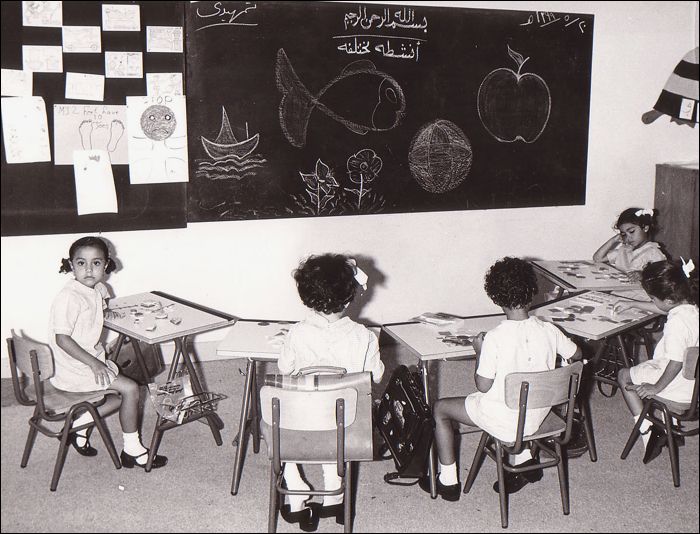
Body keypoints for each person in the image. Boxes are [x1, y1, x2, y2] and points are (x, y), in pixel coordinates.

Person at [423, 257, 582, 500]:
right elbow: (578, 355)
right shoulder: (549, 330)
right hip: (539, 416)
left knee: (440, 408)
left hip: (507, 422)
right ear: (533, 291)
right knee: (522, 396)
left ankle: (448, 481)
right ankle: (525, 458)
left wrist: (479, 352)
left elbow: (483, 385)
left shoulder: (495, 339)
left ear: (495, 298)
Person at [277, 253, 384, 531]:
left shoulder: (297, 334)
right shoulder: (364, 336)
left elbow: (285, 369)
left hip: (299, 426)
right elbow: (376, 377)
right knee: (333, 415)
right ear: (350, 297)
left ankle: (295, 491)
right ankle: (335, 492)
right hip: (347, 427)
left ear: (305, 296)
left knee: (278, 417)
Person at [49, 236, 167, 469]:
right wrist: (95, 363)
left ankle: (78, 426)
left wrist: (107, 313)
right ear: (71, 265)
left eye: (96, 263)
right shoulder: (68, 297)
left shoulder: (97, 288)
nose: (89, 270)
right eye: (81, 263)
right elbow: (62, 339)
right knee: (131, 389)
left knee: (118, 397)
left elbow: (98, 303)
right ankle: (132, 450)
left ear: (106, 266)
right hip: (75, 368)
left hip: (84, 361)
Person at [616, 259, 699, 464]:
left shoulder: (677, 323)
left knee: (624, 375)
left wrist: (656, 387)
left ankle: (647, 429)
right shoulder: (691, 308)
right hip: (695, 387)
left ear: (668, 300)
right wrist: (633, 303)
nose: (652, 302)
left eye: (652, 299)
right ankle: (669, 429)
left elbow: (676, 362)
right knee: (649, 367)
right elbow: (666, 308)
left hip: (677, 385)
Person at [593, 207, 667, 280]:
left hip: (641, 291)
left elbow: (663, 276)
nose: (628, 238)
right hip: (621, 289)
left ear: (645, 228)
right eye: (624, 234)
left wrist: (643, 275)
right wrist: (613, 240)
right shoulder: (624, 250)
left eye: (631, 231)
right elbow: (597, 259)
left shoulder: (653, 252)